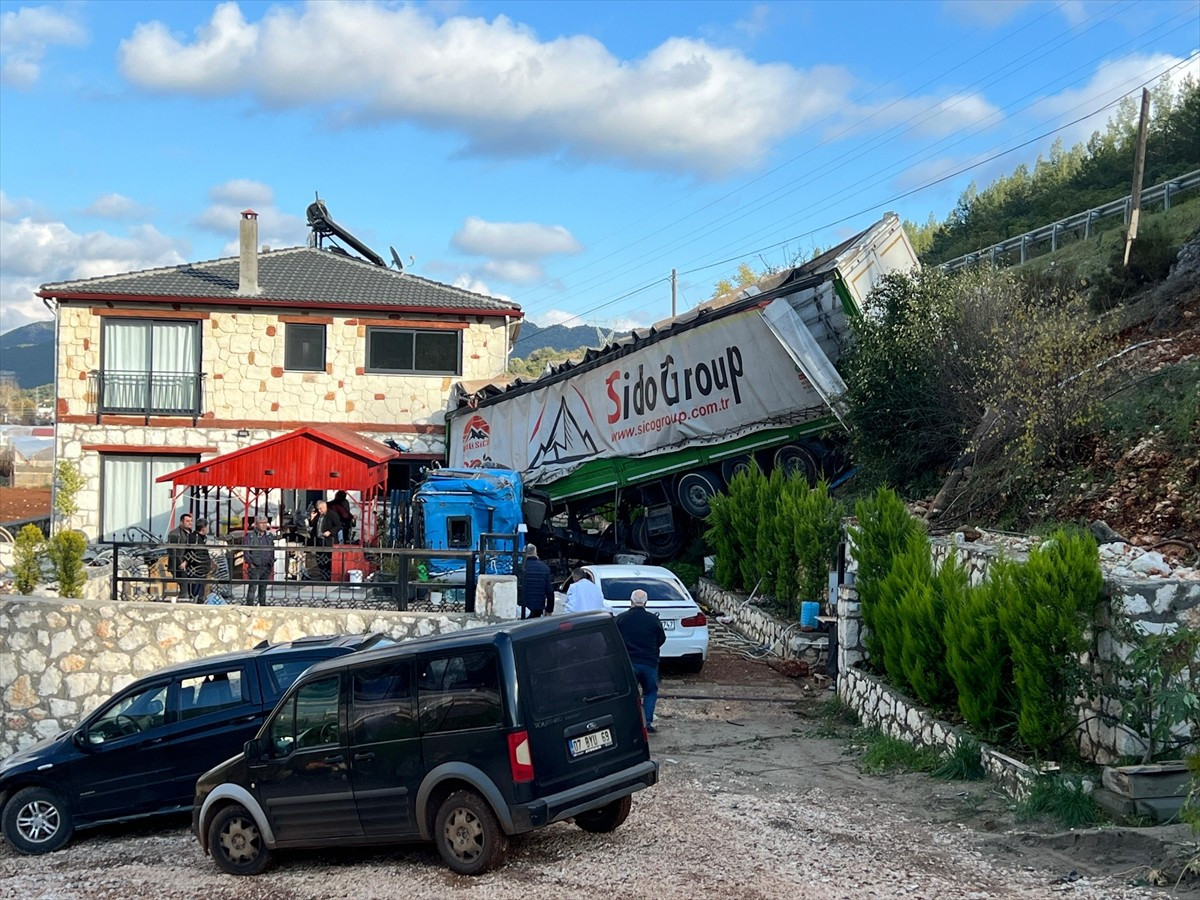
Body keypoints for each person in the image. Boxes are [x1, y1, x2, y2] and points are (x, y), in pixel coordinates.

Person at [616, 589, 666, 733]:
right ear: (646, 603)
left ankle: (628, 722)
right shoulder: (653, 619)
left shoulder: (621, 619)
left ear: (630, 601)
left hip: (629, 662)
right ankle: (647, 722)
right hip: (649, 662)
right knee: (650, 691)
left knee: (629, 693)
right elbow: (661, 639)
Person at [242, 516, 276, 606]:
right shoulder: (250, 536)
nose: (264, 525)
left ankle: (262, 604)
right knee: (253, 587)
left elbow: (272, 549)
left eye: (265, 523)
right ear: (256, 524)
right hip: (255, 566)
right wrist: (250, 563)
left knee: (263, 587)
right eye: (262, 523)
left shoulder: (269, 536)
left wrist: (271, 561)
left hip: (266, 565)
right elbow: (246, 550)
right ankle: (249, 604)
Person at [519, 544, 554, 619]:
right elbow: (550, 591)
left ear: (523, 553)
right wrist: (549, 609)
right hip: (538, 607)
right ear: (535, 553)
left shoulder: (519, 567)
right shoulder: (545, 568)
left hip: (522, 607)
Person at [185, 518, 213, 603]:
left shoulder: (200, 538)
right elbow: (198, 555)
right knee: (196, 593)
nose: (208, 529)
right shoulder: (195, 539)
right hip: (196, 570)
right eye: (207, 527)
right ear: (203, 528)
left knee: (201, 592)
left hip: (202, 570)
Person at [165, 512, 194, 594]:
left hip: (188, 563)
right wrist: (181, 562)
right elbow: (172, 550)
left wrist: (187, 561)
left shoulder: (190, 533)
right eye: (187, 521)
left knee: (190, 583)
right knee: (184, 583)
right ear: (181, 522)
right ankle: (183, 599)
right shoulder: (174, 534)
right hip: (177, 565)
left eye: (191, 521)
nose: (190, 523)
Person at [308, 500, 337, 580]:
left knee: (328, 558)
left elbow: (338, 525)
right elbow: (313, 526)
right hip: (318, 540)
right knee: (319, 558)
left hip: (328, 540)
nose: (319, 511)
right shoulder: (318, 515)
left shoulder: (332, 514)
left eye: (321, 509)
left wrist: (330, 532)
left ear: (325, 506)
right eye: (318, 509)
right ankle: (322, 574)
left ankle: (328, 576)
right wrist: (312, 519)